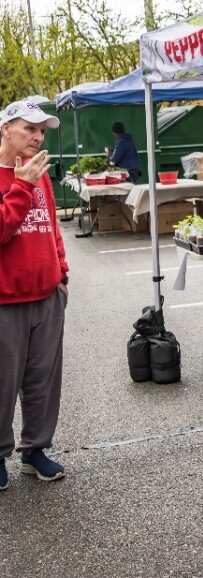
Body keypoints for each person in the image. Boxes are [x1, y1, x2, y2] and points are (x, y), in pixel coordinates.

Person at [0, 98, 70, 490]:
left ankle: (35, 450)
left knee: (42, 380)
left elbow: (51, 226)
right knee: (2, 383)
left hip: (46, 296)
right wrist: (21, 185)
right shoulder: (22, 176)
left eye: (42, 130)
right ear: (6, 129)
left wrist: (61, 271)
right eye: (29, 128)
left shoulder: (39, 172)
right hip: (5, 301)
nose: (38, 137)